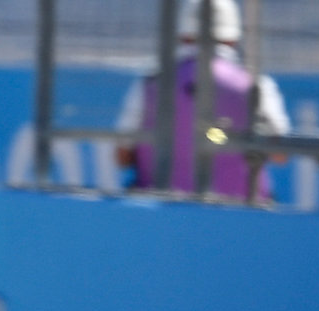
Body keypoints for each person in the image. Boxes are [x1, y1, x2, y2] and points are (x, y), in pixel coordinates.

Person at [115, 0, 291, 199]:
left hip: (162, 207)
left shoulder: (152, 82)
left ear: (183, 35)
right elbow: (280, 153)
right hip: (243, 209)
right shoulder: (257, 85)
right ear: (233, 38)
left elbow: (122, 156)